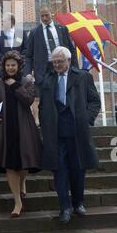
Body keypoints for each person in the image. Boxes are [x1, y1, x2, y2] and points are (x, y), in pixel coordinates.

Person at [39, 46, 101, 223]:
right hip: (55, 134)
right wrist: (45, 123)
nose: (56, 65)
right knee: (59, 171)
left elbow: (94, 101)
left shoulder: (82, 77)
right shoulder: (48, 80)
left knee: (78, 170)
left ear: (69, 60)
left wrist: (86, 119)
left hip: (77, 132)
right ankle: (64, 207)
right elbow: (43, 106)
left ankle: (78, 203)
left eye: (60, 61)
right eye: (54, 62)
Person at [0, 51, 42, 218]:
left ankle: (23, 182)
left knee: (24, 164)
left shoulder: (26, 81)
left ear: (18, 66)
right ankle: (17, 201)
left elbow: (29, 100)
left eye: (13, 65)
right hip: (5, 130)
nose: (10, 68)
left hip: (24, 128)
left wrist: (14, 85)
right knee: (10, 165)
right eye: (7, 65)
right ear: (3, 66)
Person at [24, 5, 78, 89]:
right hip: (43, 73)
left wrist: (75, 68)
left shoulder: (62, 29)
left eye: (46, 15)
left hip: (62, 67)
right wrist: (28, 73)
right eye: (42, 16)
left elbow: (71, 50)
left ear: (51, 14)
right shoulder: (34, 33)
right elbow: (28, 56)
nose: (45, 18)